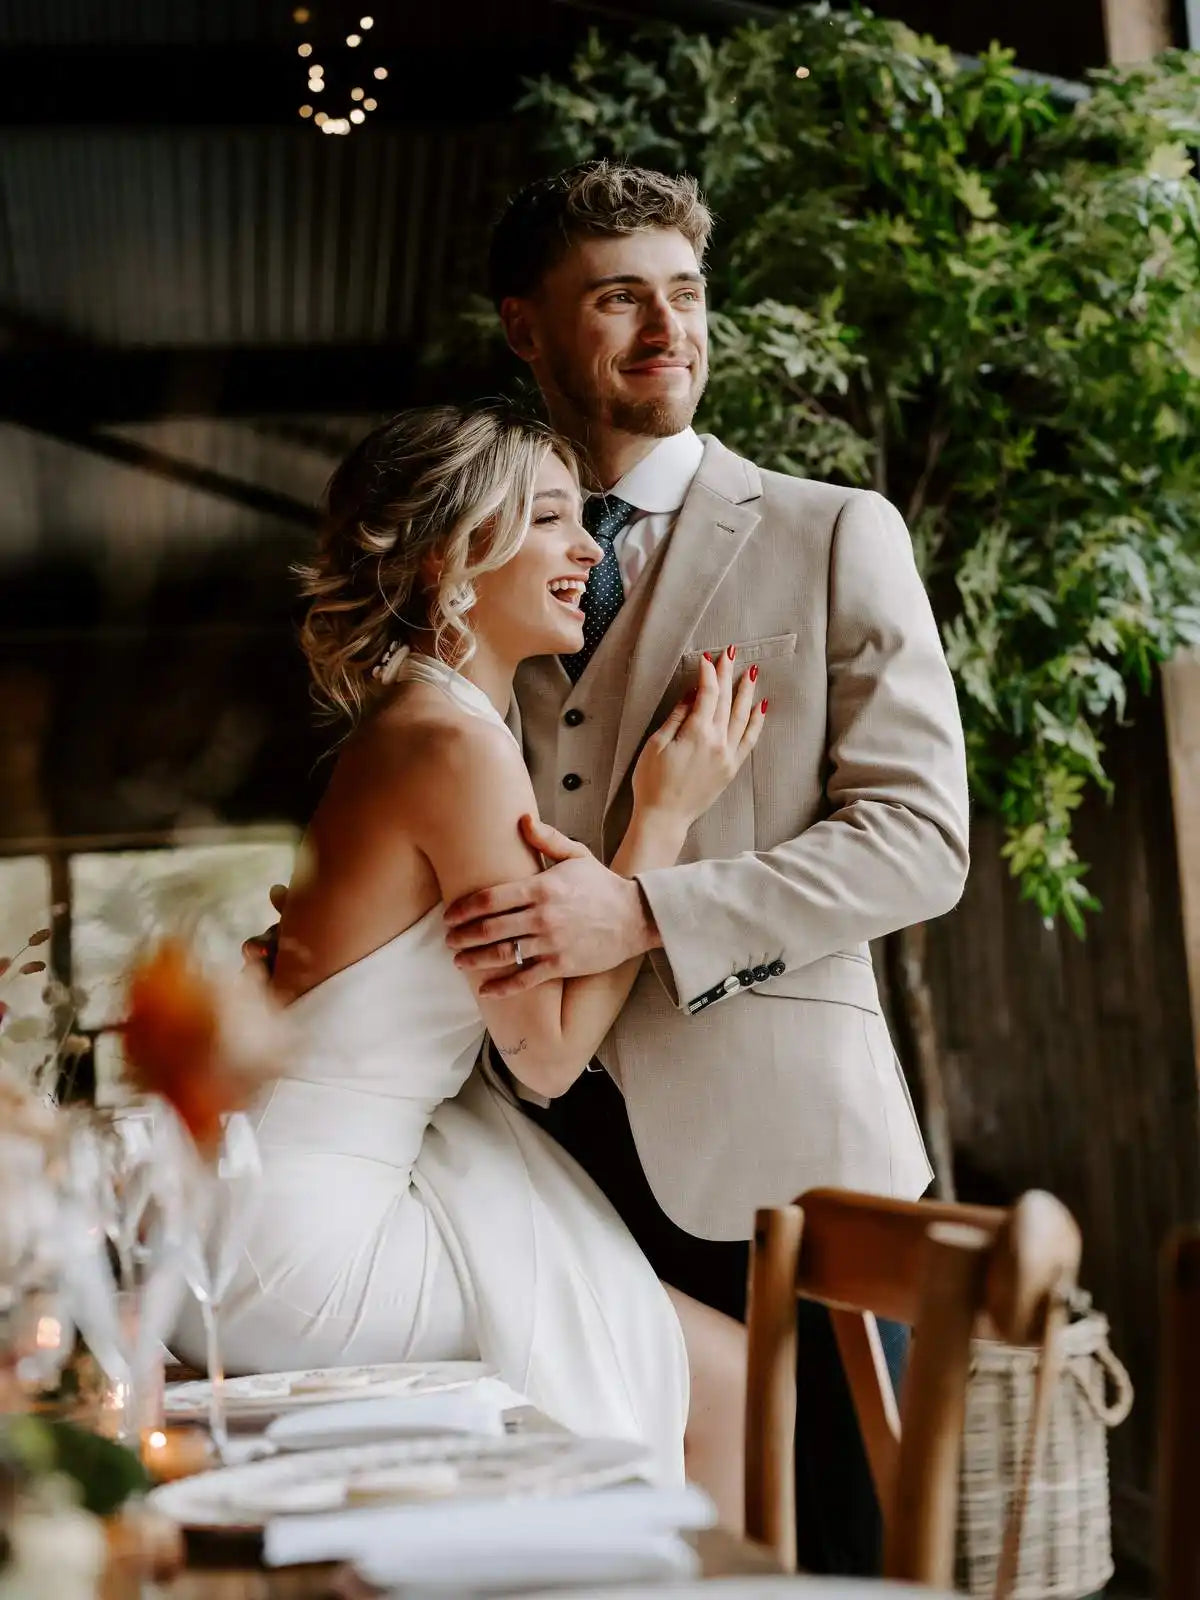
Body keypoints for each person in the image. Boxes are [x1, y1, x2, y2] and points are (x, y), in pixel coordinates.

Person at [433, 161, 971, 1573]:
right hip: (544, 1175)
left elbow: (922, 842)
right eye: (619, 298)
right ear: (527, 330)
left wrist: (646, 908)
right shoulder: (478, 567)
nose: (669, 328)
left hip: (795, 1174)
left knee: (844, 1563)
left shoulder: (833, 532)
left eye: (685, 292)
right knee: (614, 1566)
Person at [182, 403, 762, 1517]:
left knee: (704, 1365)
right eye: (550, 519)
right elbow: (542, 1056)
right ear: (452, 556)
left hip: (274, 1196)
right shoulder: (454, 745)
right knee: (728, 1382)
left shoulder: (414, 726)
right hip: (311, 1239)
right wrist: (664, 821)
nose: (589, 548)